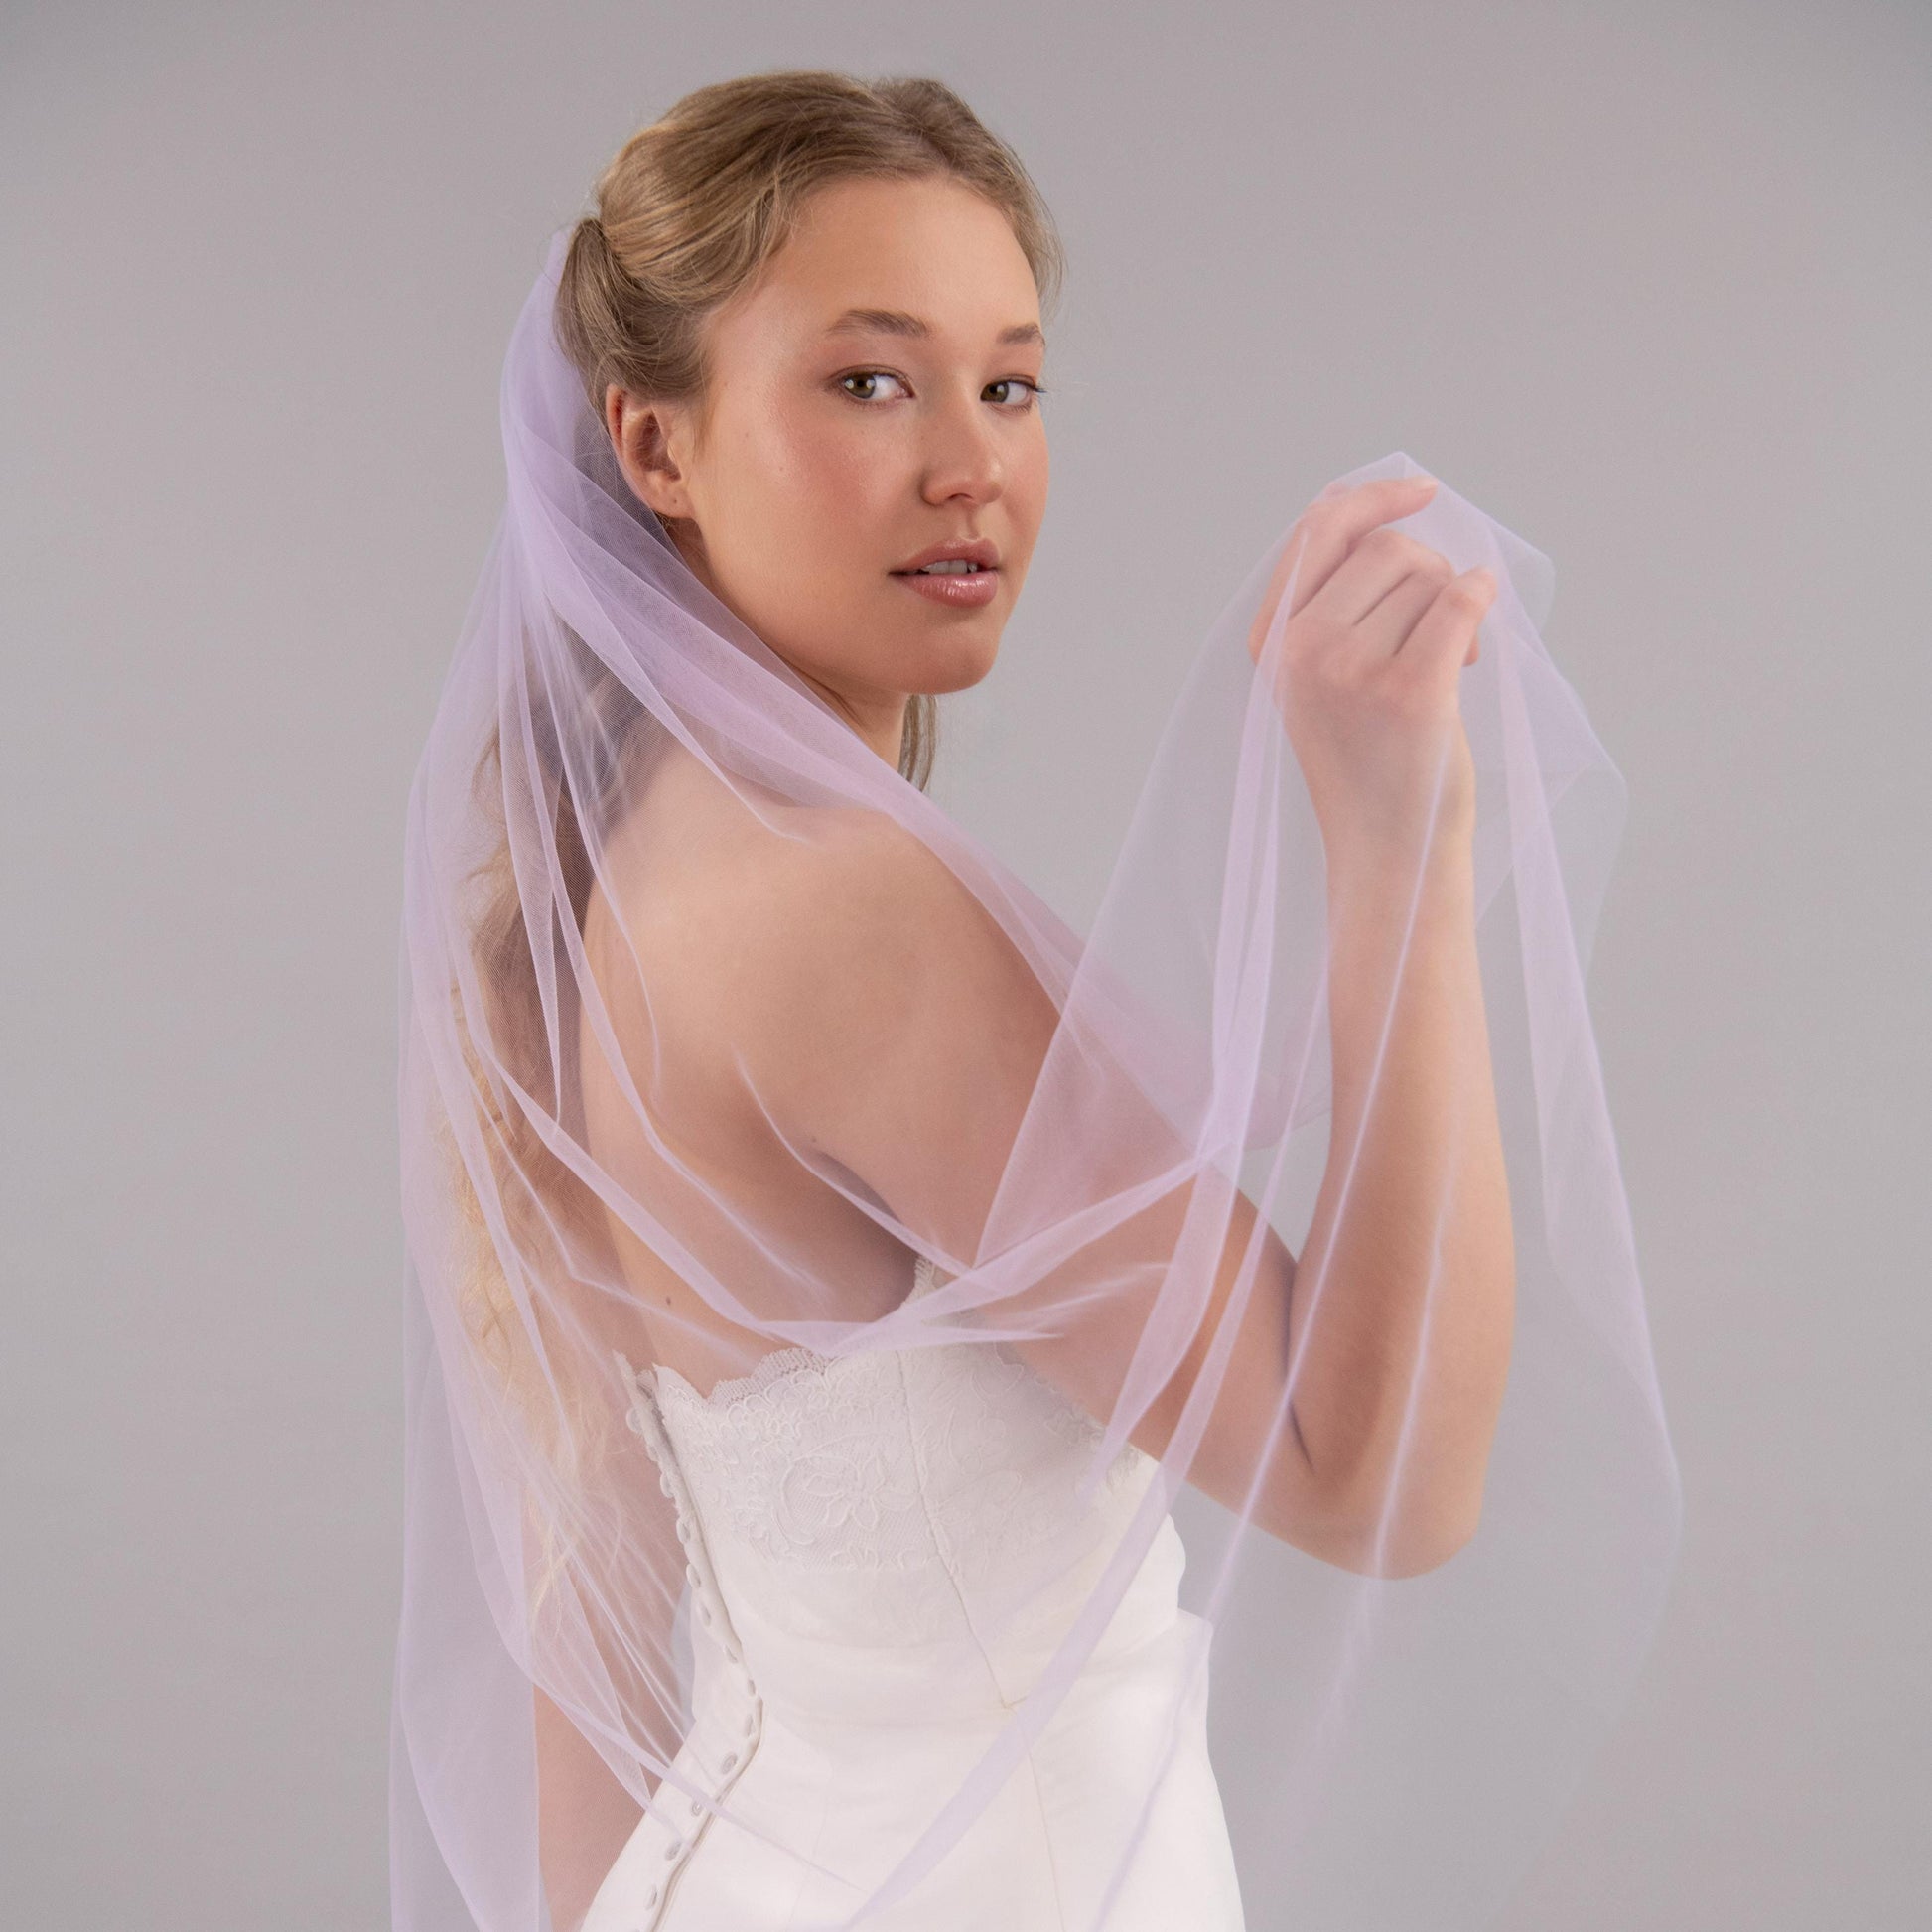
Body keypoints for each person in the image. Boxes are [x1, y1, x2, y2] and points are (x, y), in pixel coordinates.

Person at [389, 70, 1681, 1932]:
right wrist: (1401, 849)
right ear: (652, 448)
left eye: (1008, 382)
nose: (966, 463)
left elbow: (576, 1667)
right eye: (866, 378)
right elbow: (1368, 1472)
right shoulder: (845, 909)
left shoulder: (604, 890)